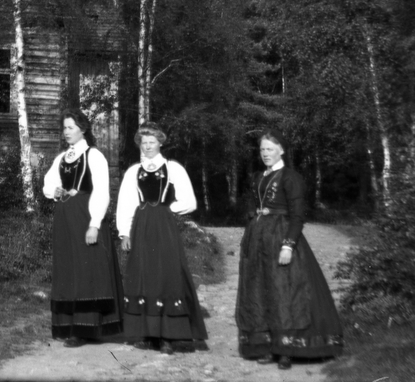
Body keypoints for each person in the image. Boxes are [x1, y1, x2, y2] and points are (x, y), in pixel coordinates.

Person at [235, 132, 344, 370]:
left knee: (285, 292)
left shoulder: (290, 177)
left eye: (270, 150)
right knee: (261, 291)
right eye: (262, 150)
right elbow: (253, 207)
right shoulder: (257, 177)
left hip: (281, 237)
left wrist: (288, 244)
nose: (265, 154)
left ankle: (286, 350)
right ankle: (268, 346)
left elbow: (297, 216)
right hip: (258, 240)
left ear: (281, 150)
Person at [115, 123, 208, 353]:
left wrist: (165, 209)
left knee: (167, 275)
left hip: (164, 228)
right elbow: (125, 203)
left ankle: (169, 335)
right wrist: (124, 232)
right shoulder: (133, 172)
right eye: (143, 142)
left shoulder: (173, 168)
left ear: (160, 143)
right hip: (141, 227)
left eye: (152, 142)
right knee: (144, 275)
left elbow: (190, 201)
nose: (147, 146)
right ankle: (148, 334)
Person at [42, 110, 124, 345]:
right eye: (65, 128)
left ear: (83, 129)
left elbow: (101, 192)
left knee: (88, 270)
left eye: (70, 127)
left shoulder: (94, 156)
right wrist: (55, 191)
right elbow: (49, 184)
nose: (66, 132)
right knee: (69, 268)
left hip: (85, 216)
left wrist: (94, 225)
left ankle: (86, 328)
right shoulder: (62, 157)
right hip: (65, 219)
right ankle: (70, 326)